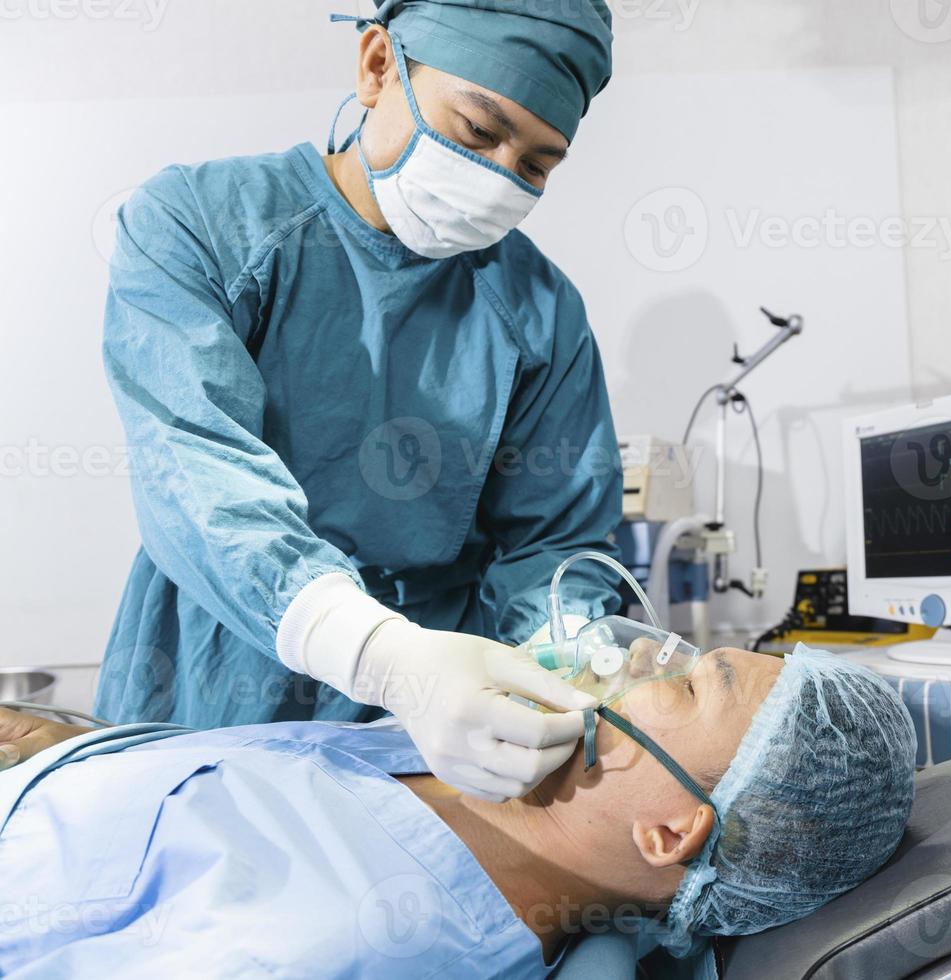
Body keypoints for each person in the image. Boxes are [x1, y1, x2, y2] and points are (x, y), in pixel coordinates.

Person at [97, 0, 624, 803]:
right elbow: (196, 474)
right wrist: (386, 656)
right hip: (218, 658)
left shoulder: (540, 313)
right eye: (478, 132)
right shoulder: (199, 225)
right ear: (378, 65)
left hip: (439, 706)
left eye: (535, 166)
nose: (498, 177)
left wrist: (569, 651)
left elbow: (554, 540)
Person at [0, 647, 917, 978]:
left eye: (676, 685)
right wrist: (58, 744)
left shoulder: (336, 942)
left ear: (671, 833)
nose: (634, 657)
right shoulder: (486, 773)